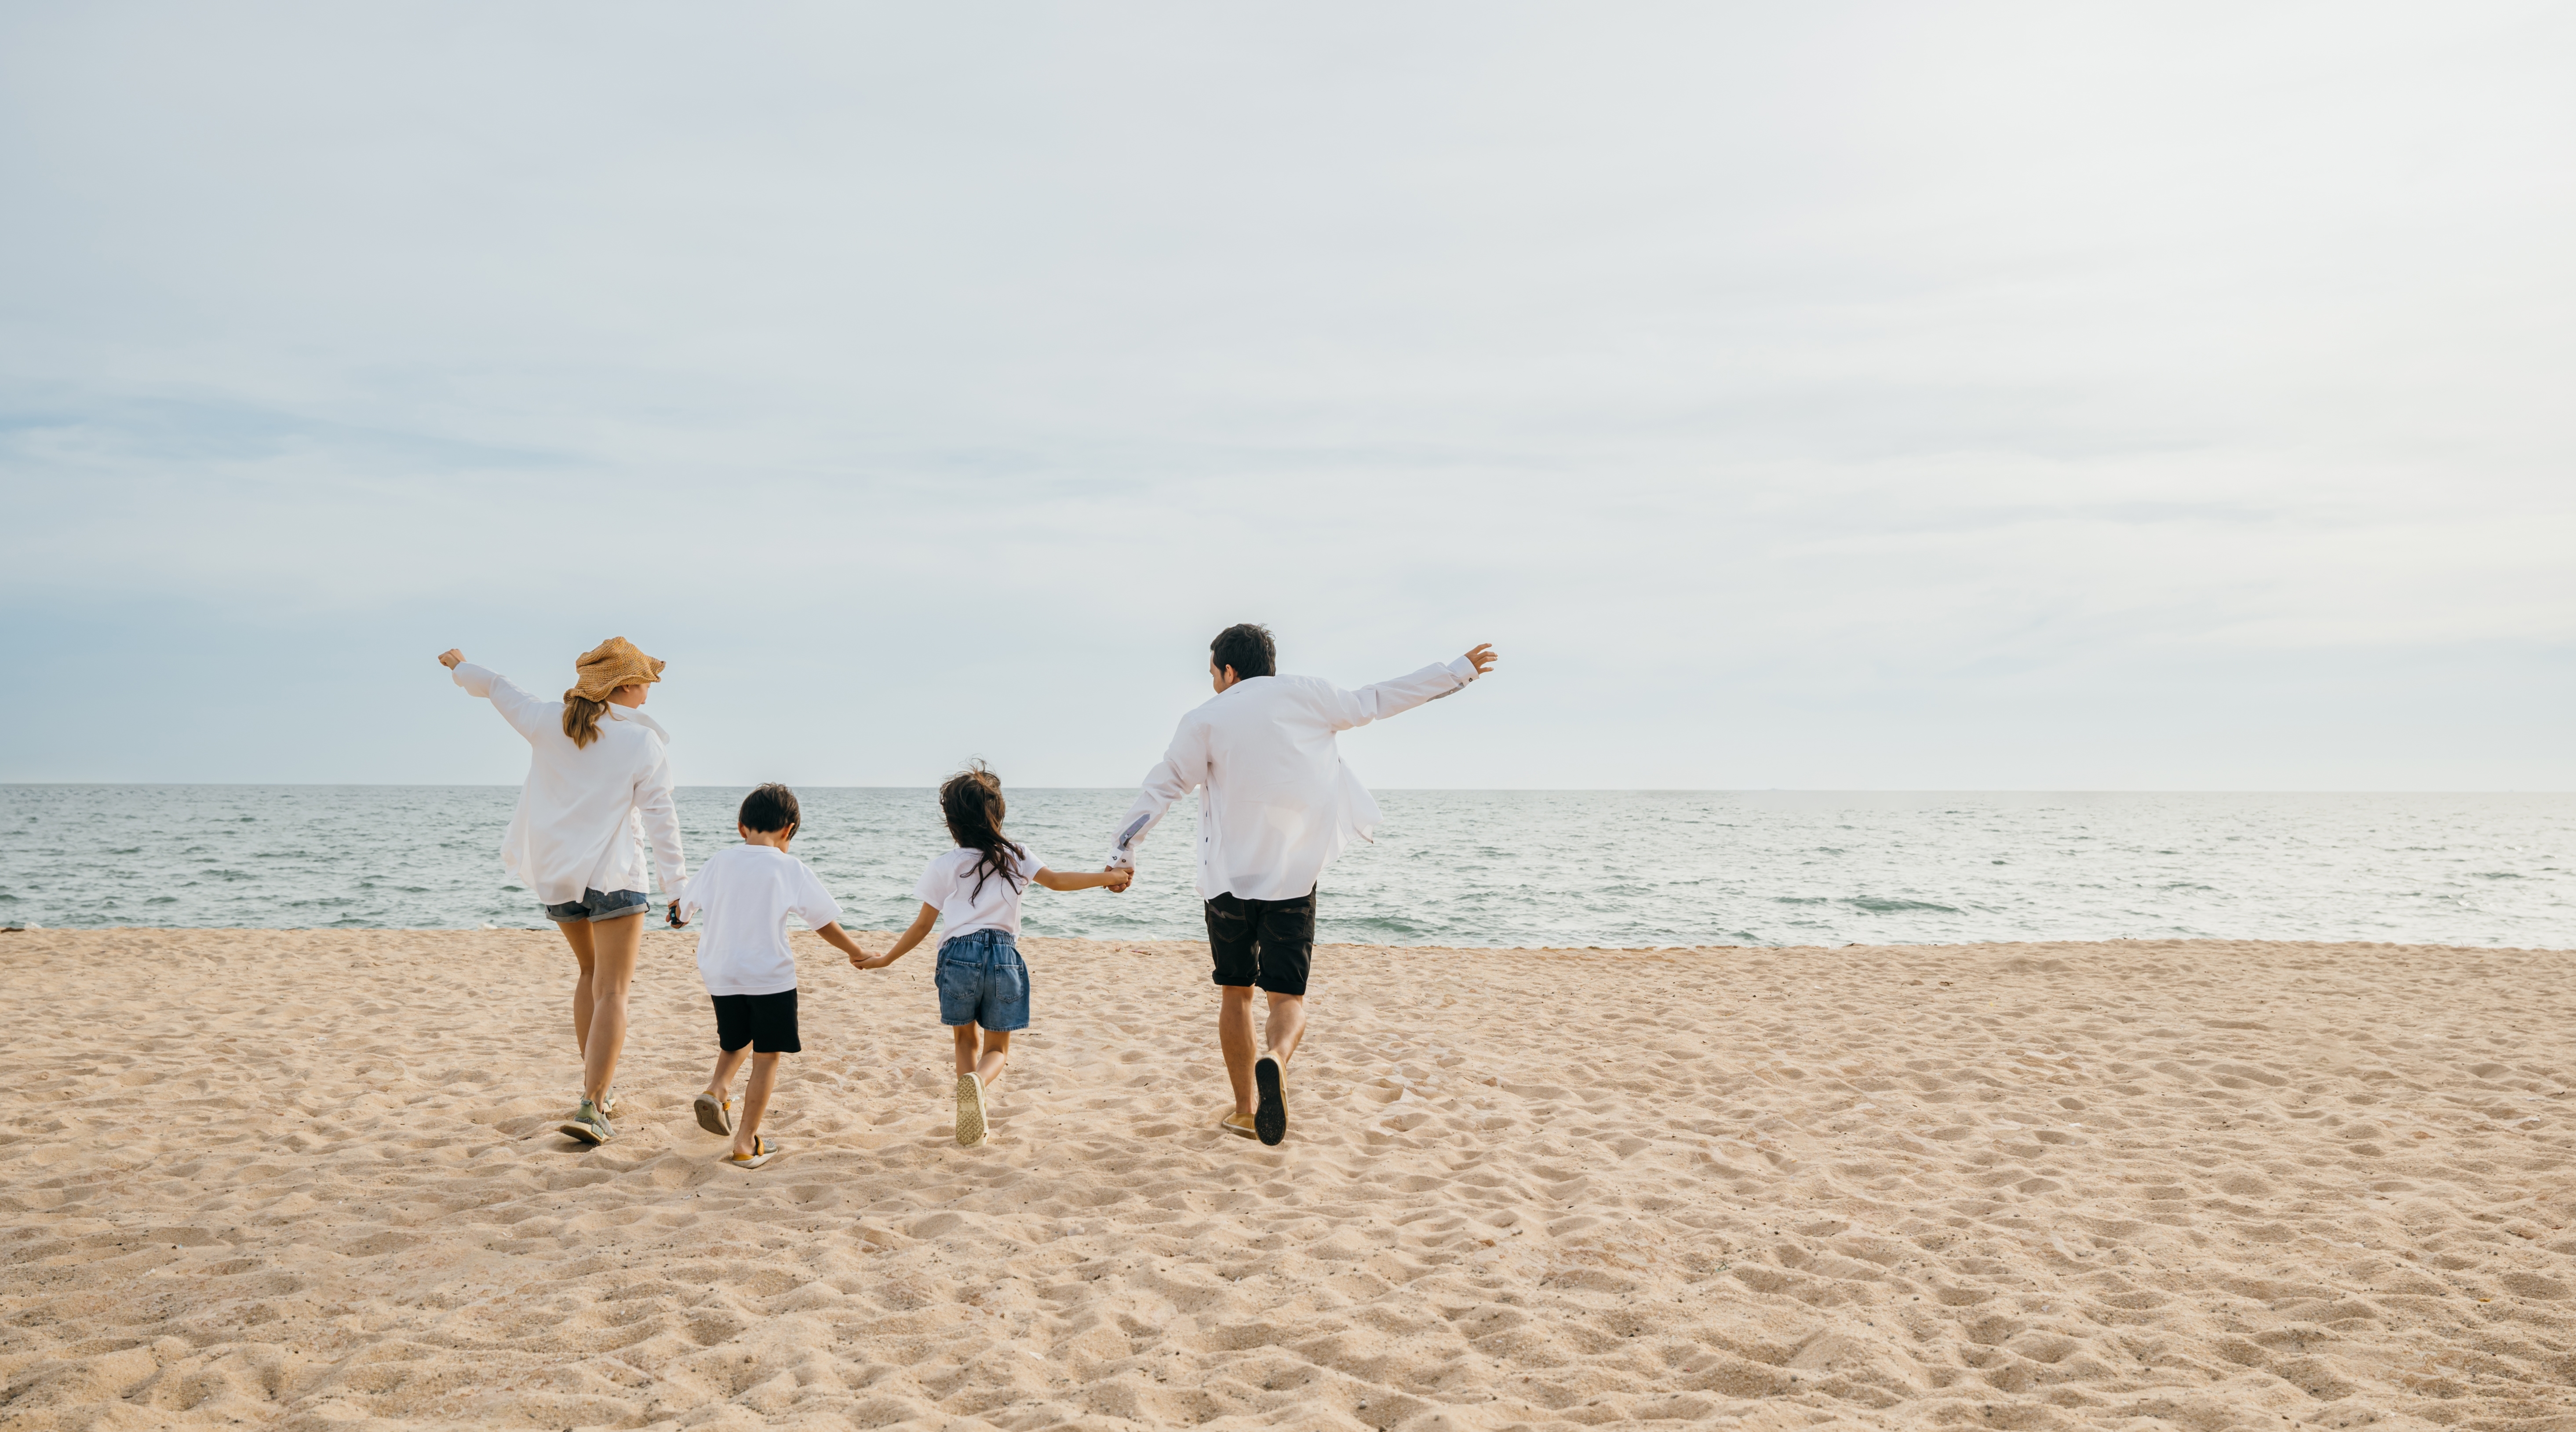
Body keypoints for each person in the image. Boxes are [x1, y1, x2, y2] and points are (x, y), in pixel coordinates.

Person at [1105, 624, 1498, 1146]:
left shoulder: (1205, 719)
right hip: (1292, 878)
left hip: (1227, 882)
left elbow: (1164, 785)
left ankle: (1246, 1108)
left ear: (1229, 670)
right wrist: (1457, 672)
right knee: (1287, 998)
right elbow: (1379, 700)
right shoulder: (1311, 695)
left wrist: (1122, 851)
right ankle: (1277, 1058)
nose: (1214, 684)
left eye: (1213, 674)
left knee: (1236, 993)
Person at [439, 638, 685, 1147]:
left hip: (559, 879)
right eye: (644, 682)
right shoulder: (642, 743)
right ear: (623, 686)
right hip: (615, 877)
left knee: (591, 975)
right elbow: (662, 817)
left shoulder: (549, 720)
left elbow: (499, 688)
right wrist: (677, 887)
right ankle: (593, 1105)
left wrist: (462, 667)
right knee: (614, 990)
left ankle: (599, 1090)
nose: (649, 691)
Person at [856, 763, 1131, 1147]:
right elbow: (1057, 882)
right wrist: (1109, 878)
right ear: (998, 814)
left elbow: (922, 927)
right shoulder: (1015, 854)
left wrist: (886, 959)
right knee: (998, 1049)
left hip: (957, 956)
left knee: (964, 1042)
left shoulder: (944, 865)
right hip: (1004, 956)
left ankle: (968, 1109)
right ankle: (978, 1085)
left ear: (951, 822)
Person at [674, 782, 869, 1169]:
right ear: (789, 830)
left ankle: (717, 1089)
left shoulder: (718, 862)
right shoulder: (788, 867)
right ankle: (746, 1143)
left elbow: (681, 914)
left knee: (735, 1041)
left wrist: (677, 913)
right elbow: (822, 922)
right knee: (766, 1057)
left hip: (720, 972)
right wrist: (857, 952)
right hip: (768, 975)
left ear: (741, 827)